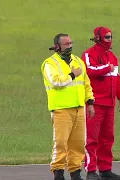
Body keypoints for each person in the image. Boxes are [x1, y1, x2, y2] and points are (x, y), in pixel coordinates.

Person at [41, 33, 95, 180]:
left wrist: (90, 102)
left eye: (71, 43)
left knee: (78, 144)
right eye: (66, 44)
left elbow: (86, 83)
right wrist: (72, 75)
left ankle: (75, 173)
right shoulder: (50, 64)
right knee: (61, 143)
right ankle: (58, 173)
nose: (70, 46)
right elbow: (56, 82)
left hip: (79, 108)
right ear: (57, 46)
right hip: (61, 109)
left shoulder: (78, 61)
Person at [81, 26, 120, 180]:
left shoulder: (112, 56)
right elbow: (89, 70)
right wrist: (107, 67)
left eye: (111, 36)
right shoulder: (89, 54)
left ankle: (105, 168)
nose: (110, 39)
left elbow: (117, 78)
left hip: (109, 103)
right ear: (98, 38)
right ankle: (91, 170)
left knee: (108, 138)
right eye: (107, 37)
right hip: (95, 103)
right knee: (92, 138)